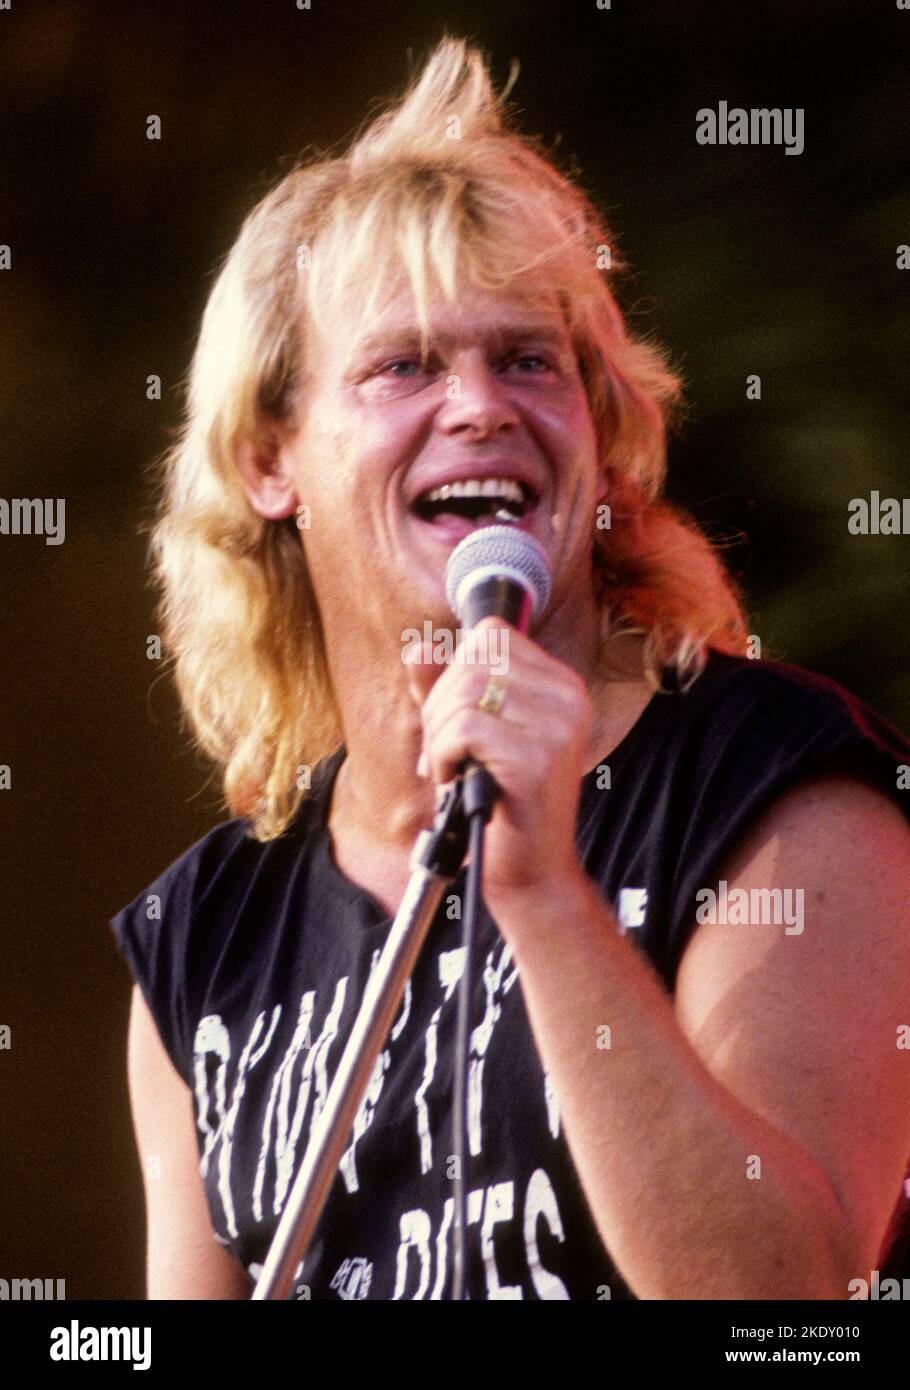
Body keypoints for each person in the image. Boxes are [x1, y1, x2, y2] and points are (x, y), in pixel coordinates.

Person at [110, 37, 910, 1301]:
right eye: (405, 365)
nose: (480, 406)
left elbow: (783, 1300)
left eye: (530, 361)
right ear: (271, 459)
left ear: (600, 442)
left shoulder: (785, 796)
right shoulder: (206, 937)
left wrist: (545, 898)